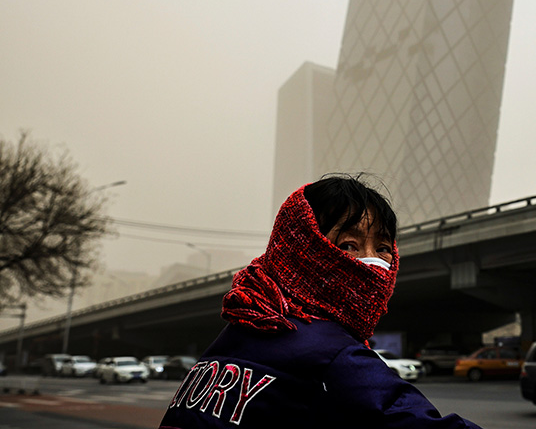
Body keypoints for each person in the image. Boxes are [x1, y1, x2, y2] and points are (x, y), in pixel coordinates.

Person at [159, 174, 483, 428]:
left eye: (383, 248)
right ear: (301, 251)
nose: (372, 264)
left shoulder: (230, 341)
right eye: (349, 246)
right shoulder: (332, 354)